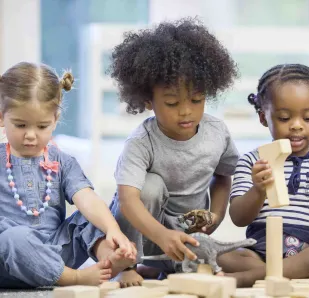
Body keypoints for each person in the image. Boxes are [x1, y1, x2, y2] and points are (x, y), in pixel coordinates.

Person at [106, 17, 240, 286]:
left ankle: (163, 268)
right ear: (148, 100)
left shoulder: (217, 133)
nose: (186, 111)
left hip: (186, 233)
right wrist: (161, 236)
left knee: (235, 262)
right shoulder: (141, 142)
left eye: (196, 99)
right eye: (171, 102)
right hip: (144, 231)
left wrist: (215, 215)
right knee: (150, 186)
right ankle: (129, 264)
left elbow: (224, 176)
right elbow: (128, 200)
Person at [218, 63, 309, 287]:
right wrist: (258, 189)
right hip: (261, 250)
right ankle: (273, 273)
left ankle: (251, 277)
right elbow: (239, 218)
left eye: (307, 118)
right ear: (263, 117)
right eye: (284, 118)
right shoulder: (251, 162)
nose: (297, 126)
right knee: (223, 254)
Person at [0, 62, 136, 289]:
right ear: (2, 117)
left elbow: (86, 198)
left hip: (57, 251)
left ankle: (109, 259)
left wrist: (112, 229)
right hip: (9, 258)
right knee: (14, 237)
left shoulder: (63, 161)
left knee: (91, 215)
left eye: (42, 126)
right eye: (21, 125)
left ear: (55, 119)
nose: (31, 135)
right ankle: (75, 278)